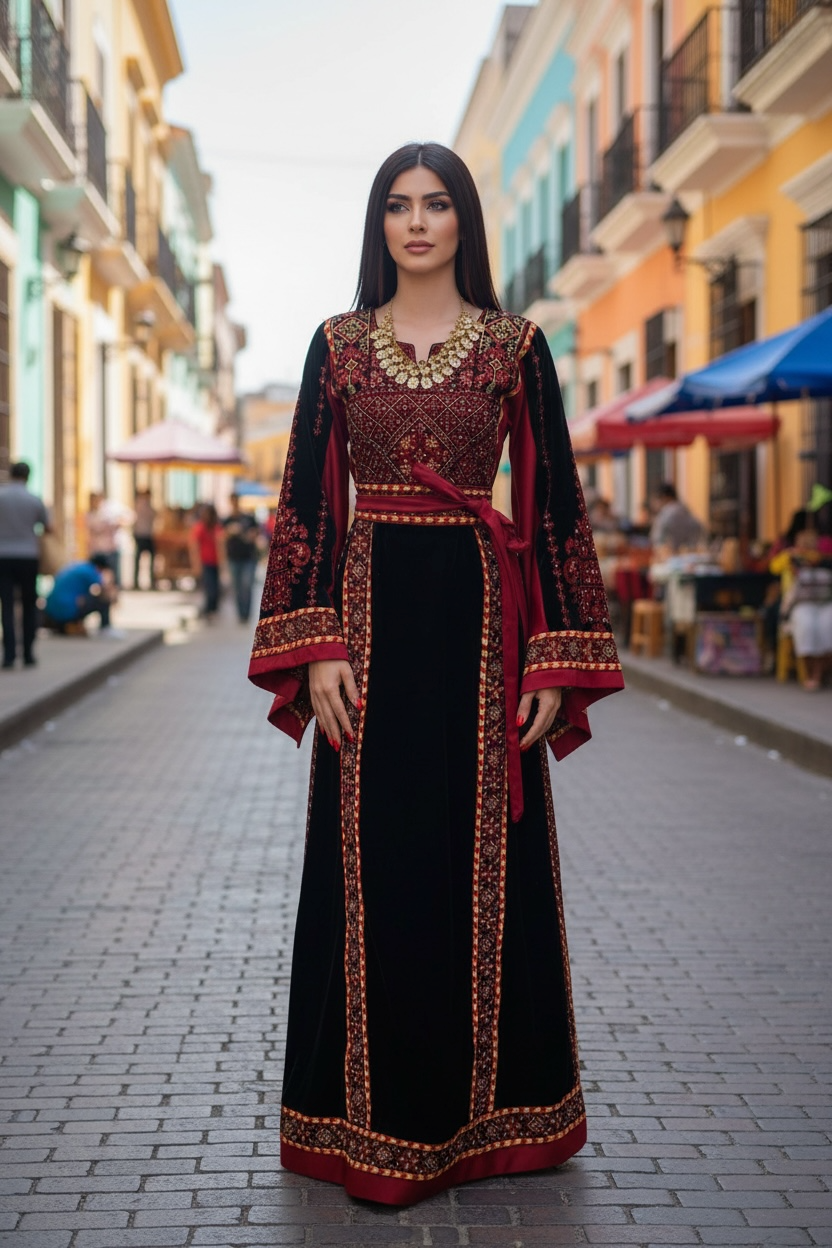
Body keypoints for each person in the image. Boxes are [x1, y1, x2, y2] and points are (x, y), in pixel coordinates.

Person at [247, 142, 624, 1206]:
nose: (418, 222)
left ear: (465, 221)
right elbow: (305, 503)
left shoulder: (515, 345)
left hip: (482, 620)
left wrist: (554, 653)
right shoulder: (336, 345)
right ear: (379, 223)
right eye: (399, 206)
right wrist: (314, 639)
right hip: (365, 620)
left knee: (479, 863)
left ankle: (494, 1123)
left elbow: (553, 505)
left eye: (438, 204)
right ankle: (359, 1118)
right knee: (372, 864)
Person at [0, 462, 49, 669]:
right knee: (29, 604)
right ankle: (28, 653)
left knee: (7, 605)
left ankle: (9, 654)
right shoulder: (34, 499)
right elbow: (48, 527)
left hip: (3, 556)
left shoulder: (1, 497)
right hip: (28, 556)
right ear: (28, 477)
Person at [770, 527, 832, 691]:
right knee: (807, 627)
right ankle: (811, 674)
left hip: (824, 604)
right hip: (800, 604)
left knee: (826, 627)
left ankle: (819, 674)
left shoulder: (824, 562)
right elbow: (774, 567)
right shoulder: (792, 560)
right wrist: (789, 558)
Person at [44, 555, 119, 635]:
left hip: (51, 610)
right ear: (100, 567)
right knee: (103, 600)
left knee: (83, 599)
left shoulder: (78, 567)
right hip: (67, 609)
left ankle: (67, 626)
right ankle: (105, 628)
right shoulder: (91, 571)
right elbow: (105, 591)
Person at [223, 494, 261, 623]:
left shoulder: (248, 518)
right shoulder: (226, 520)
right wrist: (229, 532)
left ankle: (246, 613)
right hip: (233, 557)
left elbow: (256, 532)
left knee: (247, 585)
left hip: (248, 557)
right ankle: (241, 613)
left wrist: (248, 534)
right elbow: (221, 537)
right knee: (237, 587)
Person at [85, 491, 127, 586]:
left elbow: (125, 519)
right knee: (95, 574)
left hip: (110, 547)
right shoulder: (89, 514)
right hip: (96, 548)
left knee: (113, 574)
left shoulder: (110, 510)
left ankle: (114, 593)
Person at [190, 503, 223, 619]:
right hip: (205, 562)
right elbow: (194, 546)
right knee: (210, 588)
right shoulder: (199, 528)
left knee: (215, 587)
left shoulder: (216, 528)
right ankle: (209, 609)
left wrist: (223, 563)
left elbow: (221, 545)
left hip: (215, 562)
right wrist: (196, 564)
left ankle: (212, 608)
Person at [649, 481, 705, 551]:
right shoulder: (685, 510)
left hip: (671, 558)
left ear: (665, 497)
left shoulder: (665, 513)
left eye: (656, 499)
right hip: (692, 556)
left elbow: (656, 541)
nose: (654, 504)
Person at [133, 489, 157, 590]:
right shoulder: (142, 505)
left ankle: (139, 581)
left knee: (141, 559)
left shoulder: (137, 505)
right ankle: (146, 581)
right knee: (142, 558)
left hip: (143, 534)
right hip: (144, 535)